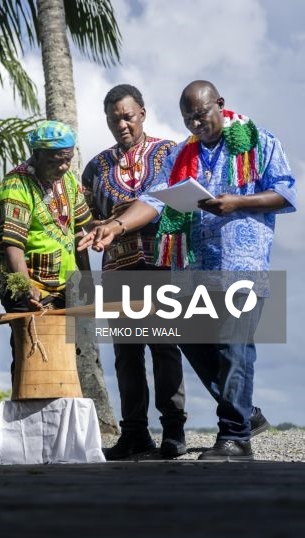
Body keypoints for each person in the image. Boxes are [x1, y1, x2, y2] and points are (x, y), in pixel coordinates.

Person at [78, 80, 296, 460]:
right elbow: (154, 200)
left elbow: (286, 192)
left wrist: (239, 203)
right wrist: (115, 227)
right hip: (196, 269)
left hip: (241, 264)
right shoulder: (182, 155)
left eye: (201, 114)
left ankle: (234, 437)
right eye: (188, 118)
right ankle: (243, 417)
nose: (196, 123)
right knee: (192, 341)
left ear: (220, 104)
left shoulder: (259, 141)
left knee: (234, 347)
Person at [81, 84, 187, 459]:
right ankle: (135, 433)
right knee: (127, 353)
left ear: (142, 112)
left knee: (163, 345)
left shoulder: (170, 153)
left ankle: (174, 431)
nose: (122, 124)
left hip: (161, 265)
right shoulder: (95, 167)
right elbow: (86, 220)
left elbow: (173, 202)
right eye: (114, 119)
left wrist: (122, 216)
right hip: (118, 270)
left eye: (128, 116)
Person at [0, 120, 92, 373]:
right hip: (29, 291)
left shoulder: (68, 180)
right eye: (56, 160)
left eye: (68, 159)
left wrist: (87, 281)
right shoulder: (16, 186)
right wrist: (27, 289)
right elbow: (12, 246)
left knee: (62, 365)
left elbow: (81, 231)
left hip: (63, 291)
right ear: (37, 154)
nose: (63, 166)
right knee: (34, 364)